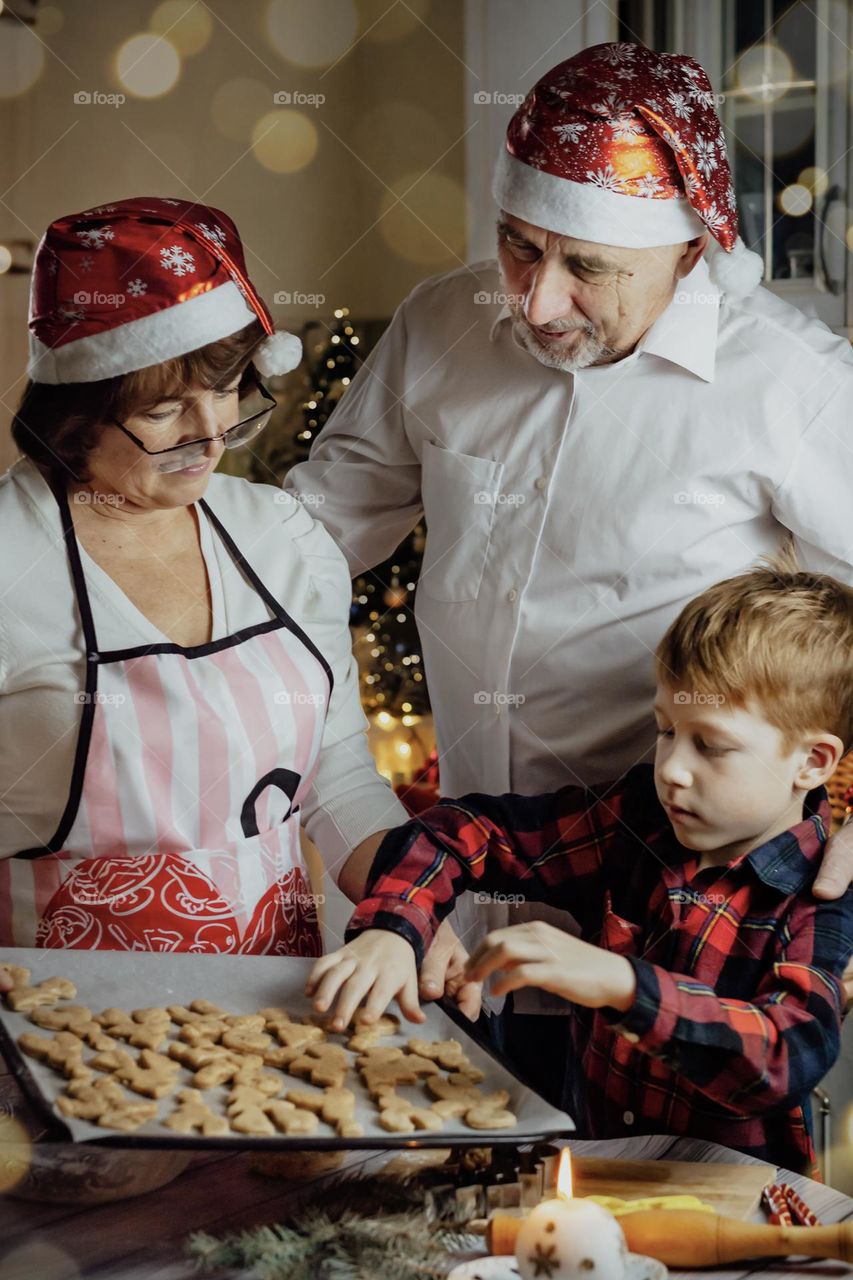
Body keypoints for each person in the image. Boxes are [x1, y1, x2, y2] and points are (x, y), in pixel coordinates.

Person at [285, 41, 853, 1097]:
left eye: (587, 265)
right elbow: (305, 546)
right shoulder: (441, 326)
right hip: (456, 905)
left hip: (670, 946)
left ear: (687, 246)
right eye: (516, 246)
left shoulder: (796, 386)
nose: (537, 301)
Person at [307, 547, 853, 1176]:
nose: (672, 768)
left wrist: (618, 983)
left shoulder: (819, 899)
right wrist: (394, 928)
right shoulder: (634, 823)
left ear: (812, 762)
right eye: (666, 730)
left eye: (713, 746)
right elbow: (466, 830)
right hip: (593, 1176)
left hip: (729, 1209)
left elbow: (784, 1057)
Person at [0, 194, 430, 964]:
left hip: (271, 1010)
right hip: (46, 1014)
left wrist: (415, 912)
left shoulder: (282, 536)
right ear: (77, 409)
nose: (210, 436)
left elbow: (336, 777)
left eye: (228, 390)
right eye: (165, 410)